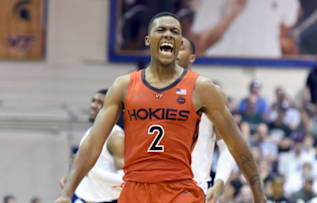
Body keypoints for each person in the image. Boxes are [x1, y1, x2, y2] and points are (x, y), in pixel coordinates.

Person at [55, 12, 266, 203]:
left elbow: (237, 145)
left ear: (179, 41)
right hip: (135, 189)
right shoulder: (124, 86)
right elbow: (93, 143)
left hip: (180, 188)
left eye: (175, 32)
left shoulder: (202, 89)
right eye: (161, 30)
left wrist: (259, 196)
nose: (168, 35)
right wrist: (67, 194)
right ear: (148, 40)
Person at [177, 36, 236, 203]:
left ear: (192, 58)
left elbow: (229, 148)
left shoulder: (207, 94)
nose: (174, 51)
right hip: (155, 189)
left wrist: (219, 183)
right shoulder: (149, 94)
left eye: (180, 47)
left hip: (192, 190)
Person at [60, 89, 125, 203]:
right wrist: (72, 179)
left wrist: (95, 174)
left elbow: (126, 175)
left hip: (108, 199)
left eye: (100, 102)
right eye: (93, 101)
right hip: (88, 197)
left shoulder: (115, 136)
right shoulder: (91, 132)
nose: (93, 105)